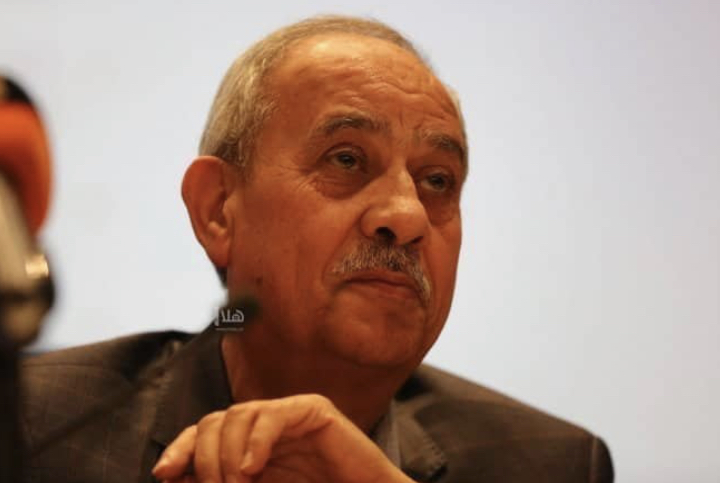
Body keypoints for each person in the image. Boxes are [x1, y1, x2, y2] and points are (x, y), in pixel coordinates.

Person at [21, 15, 614, 483]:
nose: (406, 216)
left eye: (437, 180)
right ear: (218, 209)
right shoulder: (34, 428)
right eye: (347, 160)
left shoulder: (552, 465)